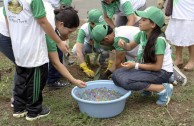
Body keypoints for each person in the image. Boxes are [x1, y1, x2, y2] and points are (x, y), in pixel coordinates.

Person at [3, 0, 69, 121]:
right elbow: (43, 21)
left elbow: (7, 17)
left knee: (21, 75)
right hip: (33, 47)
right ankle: (34, 110)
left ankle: (19, 108)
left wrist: (15, 38)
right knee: (36, 79)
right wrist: (59, 41)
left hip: (18, 44)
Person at [112, 6, 174, 106]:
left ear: (153, 24)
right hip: (147, 69)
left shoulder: (159, 40)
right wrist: (123, 44)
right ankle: (148, 88)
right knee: (116, 75)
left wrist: (135, 65)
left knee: (126, 81)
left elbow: (157, 67)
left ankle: (162, 89)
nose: (139, 21)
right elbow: (129, 47)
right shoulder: (142, 34)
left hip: (162, 72)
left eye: (144, 20)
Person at [72, 9, 108, 78]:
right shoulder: (84, 29)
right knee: (75, 50)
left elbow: (112, 46)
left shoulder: (105, 26)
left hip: (100, 45)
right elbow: (78, 50)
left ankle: (103, 64)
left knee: (106, 51)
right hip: (88, 44)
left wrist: (111, 64)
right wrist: (84, 67)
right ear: (91, 23)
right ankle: (84, 63)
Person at [46, 0, 73, 89]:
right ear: (61, 24)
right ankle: (52, 81)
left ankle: (53, 76)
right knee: (57, 54)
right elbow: (55, 61)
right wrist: (73, 80)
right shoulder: (50, 27)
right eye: (69, 31)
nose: (69, 35)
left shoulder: (53, 21)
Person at [165, 0, 194, 71]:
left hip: (190, 9)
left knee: (191, 35)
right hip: (177, 7)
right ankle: (179, 59)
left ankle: (192, 60)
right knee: (177, 33)